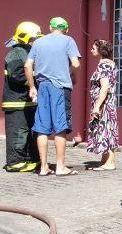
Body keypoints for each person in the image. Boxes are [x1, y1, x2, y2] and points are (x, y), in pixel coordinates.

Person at [25, 17, 82, 177]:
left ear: (50, 27)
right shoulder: (68, 40)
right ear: (67, 29)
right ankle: (60, 166)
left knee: (42, 128)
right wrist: (72, 76)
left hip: (42, 86)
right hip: (60, 87)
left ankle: (43, 167)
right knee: (60, 127)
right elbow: (76, 64)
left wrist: (31, 86)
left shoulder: (38, 42)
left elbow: (28, 65)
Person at [3, 22, 43, 172]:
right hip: (16, 102)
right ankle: (15, 162)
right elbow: (17, 75)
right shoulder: (16, 53)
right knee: (17, 134)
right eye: (34, 38)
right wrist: (35, 81)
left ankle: (31, 159)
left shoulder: (28, 52)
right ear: (25, 38)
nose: (36, 41)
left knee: (29, 133)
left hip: (27, 101)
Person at [86, 39, 119, 171]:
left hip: (104, 104)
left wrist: (97, 106)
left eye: (94, 48)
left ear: (101, 50)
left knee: (107, 130)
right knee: (106, 129)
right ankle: (105, 160)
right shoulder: (110, 64)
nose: (91, 50)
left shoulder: (103, 65)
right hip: (108, 103)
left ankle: (110, 162)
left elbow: (104, 87)